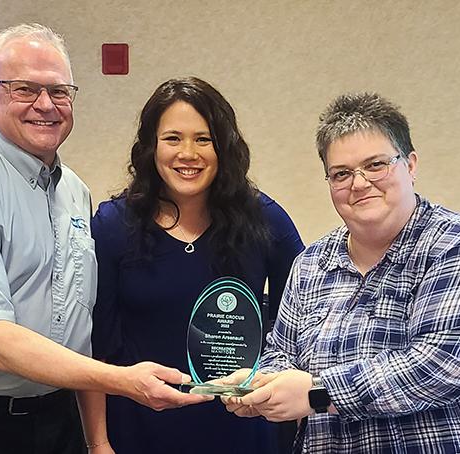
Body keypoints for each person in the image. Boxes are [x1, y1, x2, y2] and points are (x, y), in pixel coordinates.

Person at [0, 24, 207, 454]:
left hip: (57, 419)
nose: (45, 105)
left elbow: (81, 324)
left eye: (59, 91)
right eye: (24, 89)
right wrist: (122, 380)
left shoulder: (74, 192)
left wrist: (97, 440)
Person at [224, 93, 460, 452]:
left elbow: (442, 365)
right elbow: (282, 352)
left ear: (411, 165)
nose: (359, 183)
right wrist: (262, 384)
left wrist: (317, 393)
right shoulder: (311, 264)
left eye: (375, 165)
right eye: (341, 174)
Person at [88, 77, 305, 453]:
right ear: (151, 146)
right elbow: (96, 347)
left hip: (244, 431)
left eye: (203, 139)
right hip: (139, 430)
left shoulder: (265, 220)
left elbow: (306, 325)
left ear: (224, 147)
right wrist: (98, 442)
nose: (188, 153)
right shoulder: (112, 225)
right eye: (173, 138)